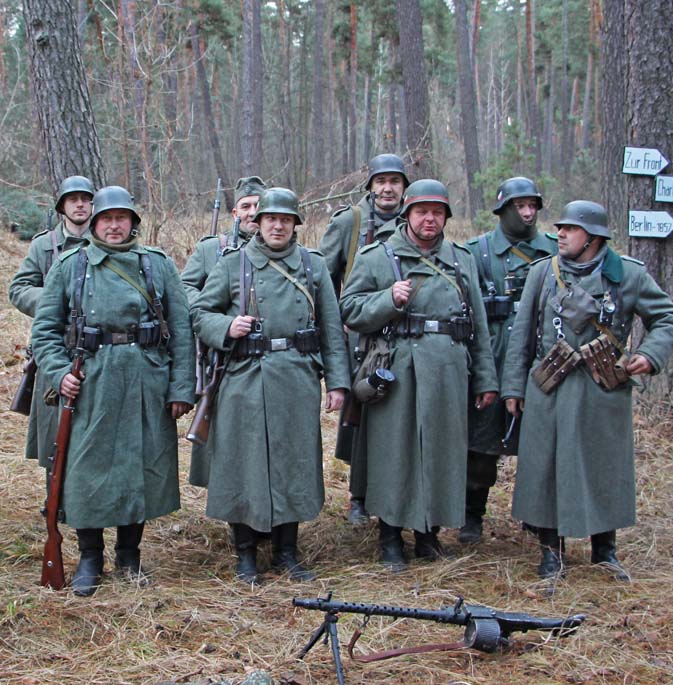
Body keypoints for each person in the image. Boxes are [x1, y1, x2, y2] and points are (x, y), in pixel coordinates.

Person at [501, 200, 673, 581]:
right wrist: (514, 387)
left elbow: (668, 318)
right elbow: (522, 335)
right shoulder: (543, 272)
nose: (561, 234)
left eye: (571, 229)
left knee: (604, 467)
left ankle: (605, 551)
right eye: (560, 228)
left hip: (602, 387)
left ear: (593, 237)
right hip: (550, 383)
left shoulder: (628, 274)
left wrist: (649, 354)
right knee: (545, 468)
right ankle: (551, 553)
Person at [30, 186, 194, 596]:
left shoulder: (157, 264)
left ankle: (129, 555)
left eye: (122, 218)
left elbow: (182, 331)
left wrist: (180, 387)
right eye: (106, 219)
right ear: (94, 223)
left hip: (146, 379)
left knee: (138, 466)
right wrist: (59, 373)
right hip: (91, 382)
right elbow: (44, 331)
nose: (114, 226)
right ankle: (90, 556)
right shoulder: (70, 265)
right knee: (87, 468)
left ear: (133, 223)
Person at [192, 187, 350, 583]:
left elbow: (331, 329)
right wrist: (226, 325)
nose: (277, 226)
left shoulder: (313, 266)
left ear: (296, 224)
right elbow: (199, 312)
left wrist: (338, 383)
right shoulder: (234, 264)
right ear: (258, 222)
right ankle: (245, 552)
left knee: (294, 463)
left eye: (285, 219)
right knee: (241, 463)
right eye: (270, 219)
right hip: (244, 377)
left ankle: (286, 551)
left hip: (297, 377)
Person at [340, 179, 498, 572]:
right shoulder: (378, 256)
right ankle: (390, 536)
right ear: (407, 214)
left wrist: (486, 378)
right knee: (394, 452)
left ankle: (429, 533)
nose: (430, 219)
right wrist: (387, 299)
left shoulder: (461, 259)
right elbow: (350, 309)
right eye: (422, 211)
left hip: (448, 369)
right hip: (398, 368)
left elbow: (477, 323)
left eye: (437, 212)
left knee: (443, 452)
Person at [459, 177, 557, 544]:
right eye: (520, 206)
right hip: (493, 356)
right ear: (503, 209)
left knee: (541, 442)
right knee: (481, 443)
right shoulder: (477, 252)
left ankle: (538, 514)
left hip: (541, 359)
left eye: (533, 206)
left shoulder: (554, 250)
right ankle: (472, 516)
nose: (528, 213)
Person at [319, 153, 409, 526]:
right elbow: (322, 278)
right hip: (358, 335)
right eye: (381, 181)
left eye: (395, 181)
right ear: (370, 185)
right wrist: (334, 324)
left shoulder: (415, 220)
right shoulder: (349, 222)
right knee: (358, 417)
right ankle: (358, 497)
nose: (387, 189)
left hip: (402, 335)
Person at [181, 175, 264, 490]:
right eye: (246, 206)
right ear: (235, 212)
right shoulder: (211, 249)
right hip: (219, 353)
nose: (252, 212)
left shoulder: (281, 250)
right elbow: (185, 288)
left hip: (261, 352)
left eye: (258, 205)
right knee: (221, 430)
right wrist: (214, 316)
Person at [8, 175, 94, 470]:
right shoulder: (44, 245)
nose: (80, 205)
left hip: (95, 349)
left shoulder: (105, 241)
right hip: (54, 348)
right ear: (62, 207)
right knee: (53, 437)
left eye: (85, 199)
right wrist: (54, 301)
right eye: (73, 200)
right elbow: (19, 289)